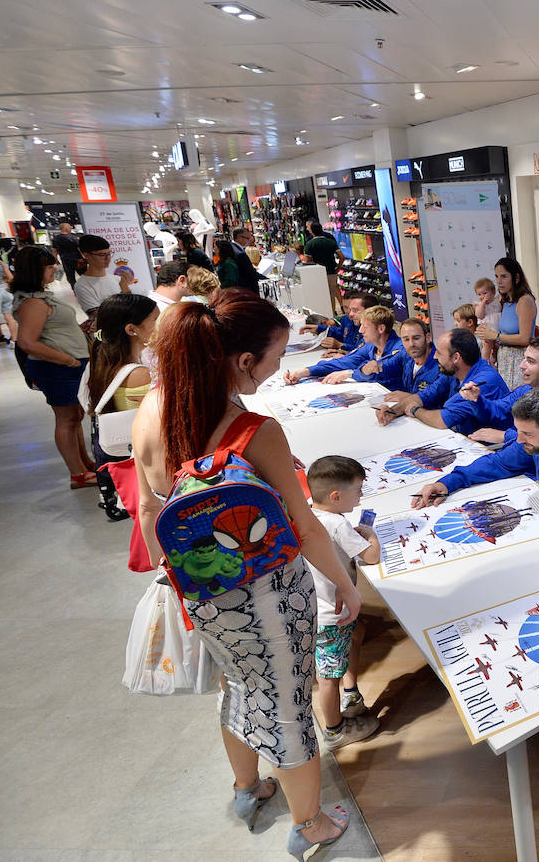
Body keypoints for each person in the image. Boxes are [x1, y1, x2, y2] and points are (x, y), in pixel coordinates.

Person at [130, 291, 361, 858]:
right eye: (276, 355)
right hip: (268, 596)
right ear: (241, 361)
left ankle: (247, 787)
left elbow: (146, 512)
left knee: (236, 685)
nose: (279, 367)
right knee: (286, 703)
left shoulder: (152, 410)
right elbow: (304, 527)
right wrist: (347, 586)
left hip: (204, 592)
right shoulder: (253, 431)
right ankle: (310, 825)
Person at [409, 388, 539, 508]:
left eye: (526, 433)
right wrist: (447, 483)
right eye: (518, 431)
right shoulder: (536, 441)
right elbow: (497, 463)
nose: (518, 440)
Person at [305, 456, 382, 750]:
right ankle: (335, 730)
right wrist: (371, 536)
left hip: (317, 608)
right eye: (358, 490)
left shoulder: (309, 515)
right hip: (331, 616)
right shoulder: (337, 524)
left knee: (356, 636)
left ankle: (351, 694)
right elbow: (370, 556)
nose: (361, 496)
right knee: (327, 677)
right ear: (336, 496)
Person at [11, 246, 97, 488]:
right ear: (35, 270)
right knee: (67, 419)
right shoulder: (33, 303)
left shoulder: (39, 298)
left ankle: (84, 464)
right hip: (58, 368)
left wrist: (77, 333)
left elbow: (49, 331)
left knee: (74, 416)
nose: (54, 270)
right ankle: (77, 473)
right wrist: (66, 360)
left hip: (67, 364)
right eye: (49, 267)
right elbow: (27, 341)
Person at [376, 327, 508, 432]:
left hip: (488, 448)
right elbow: (425, 395)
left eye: (439, 352)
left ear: (456, 357)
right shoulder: (452, 372)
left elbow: (442, 420)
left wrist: (414, 410)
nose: (434, 357)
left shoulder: (482, 382)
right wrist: (393, 411)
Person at [463, 337, 539, 445]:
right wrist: (477, 399)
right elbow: (497, 410)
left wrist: (505, 436)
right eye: (524, 358)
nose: (522, 365)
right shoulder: (526, 390)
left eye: (530, 361)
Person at [86, 293, 156, 458]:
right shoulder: (139, 374)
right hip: (147, 456)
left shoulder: (102, 363)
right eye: (155, 320)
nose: (162, 325)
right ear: (132, 329)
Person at [284, 305, 403, 386]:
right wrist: (305, 372)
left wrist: (350, 373)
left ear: (381, 328)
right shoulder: (370, 346)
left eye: (365, 326)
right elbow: (344, 362)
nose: (361, 331)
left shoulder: (400, 349)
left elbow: (381, 372)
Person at [475, 258, 536, 389]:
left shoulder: (525, 301)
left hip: (519, 361)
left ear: (516, 277)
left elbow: (525, 338)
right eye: (496, 276)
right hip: (504, 361)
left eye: (504, 276)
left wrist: (494, 336)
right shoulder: (506, 301)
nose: (499, 281)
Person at [376, 317, 441, 396]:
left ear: (427, 338)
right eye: (406, 339)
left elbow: (441, 403)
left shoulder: (441, 364)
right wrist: (365, 369)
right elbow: (379, 369)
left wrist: (409, 398)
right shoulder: (405, 356)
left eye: (416, 338)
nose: (411, 344)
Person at [303, 291, 377, 357]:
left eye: (355, 310)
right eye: (345, 308)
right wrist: (320, 328)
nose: (349, 313)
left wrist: (341, 346)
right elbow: (341, 333)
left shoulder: (371, 330)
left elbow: (360, 352)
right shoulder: (347, 319)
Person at [74, 234, 132, 317]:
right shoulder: (82, 285)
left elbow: (131, 306)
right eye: (101, 255)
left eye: (109, 253)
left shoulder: (117, 279)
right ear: (86, 256)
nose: (107, 258)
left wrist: (125, 286)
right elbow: (99, 316)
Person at [303, 221, 345, 315]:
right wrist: (338, 268)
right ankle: (332, 313)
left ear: (312, 231)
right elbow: (342, 257)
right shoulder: (330, 242)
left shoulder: (310, 244)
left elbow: (308, 261)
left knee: (321, 295)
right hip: (331, 272)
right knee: (332, 294)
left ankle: (325, 314)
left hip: (317, 274)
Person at [471, 277, 499, 362]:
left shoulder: (497, 301)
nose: (482, 296)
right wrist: (482, 303)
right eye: (479, 294)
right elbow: (479, 315)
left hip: (497, 330)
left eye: (485, 293)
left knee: (497, 347)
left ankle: (493, 361)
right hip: (487, 329)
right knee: (487, 347)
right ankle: (485, 362)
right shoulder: (479, 305)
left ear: (493, 292)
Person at [52, 222, 84, 288]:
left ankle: (75, 290)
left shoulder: (56, 239)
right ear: (66, 228)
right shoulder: (73, 238)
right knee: (84, 274)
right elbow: (80, 249)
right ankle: (87, 288)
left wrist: (55, 259)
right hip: (79, 260)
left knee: (70, 277)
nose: (70, 229)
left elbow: (54, 251)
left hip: (65, 260)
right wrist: (85, 257)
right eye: (69, 227)